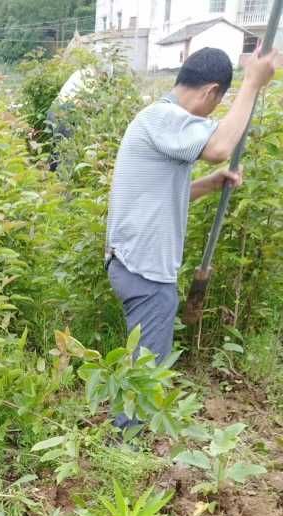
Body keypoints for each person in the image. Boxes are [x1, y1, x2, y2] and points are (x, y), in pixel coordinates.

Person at [105, 46, 277, 389]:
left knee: (143, 364)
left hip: (133, 263)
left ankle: (129, 433)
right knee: (146, 376)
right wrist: (252, 84)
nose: (208, 117)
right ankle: (129, 438)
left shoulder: (158, 122)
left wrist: (209, 185)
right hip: (144, 270)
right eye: (215, 105)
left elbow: (159, 195)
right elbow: (219, 149)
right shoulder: (163, 117)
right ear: (211, 91)